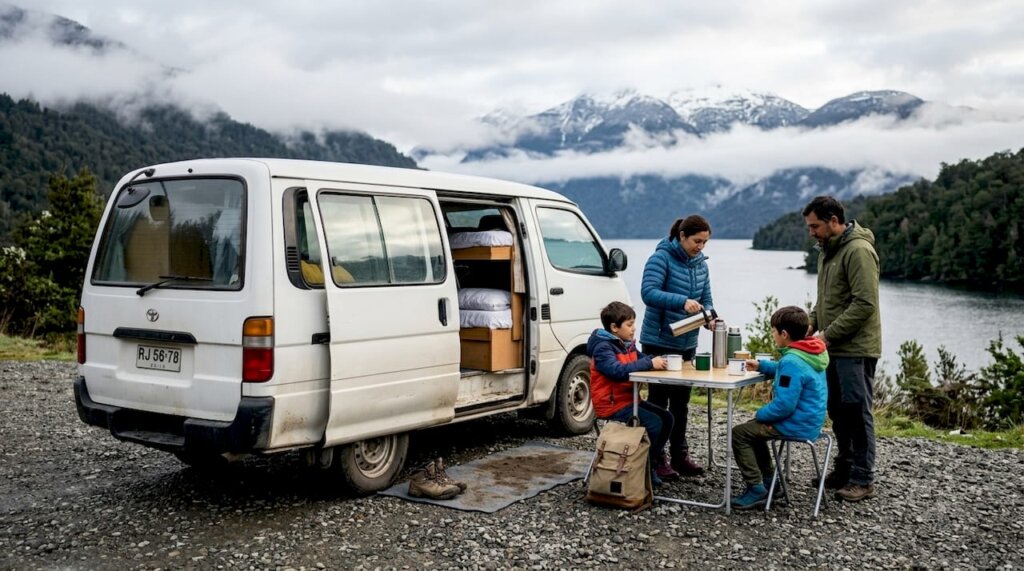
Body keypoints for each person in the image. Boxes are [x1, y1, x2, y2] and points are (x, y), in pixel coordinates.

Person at [803, 195, 882, 502]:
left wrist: (827, 335)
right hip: (833, 347)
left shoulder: (858, 250)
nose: (811, 232)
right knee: (837, 410)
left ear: (834, 221)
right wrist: (811, 323)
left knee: (857, 412)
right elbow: (826, 299)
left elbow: (865, 303)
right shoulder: (828, 251)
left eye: (815, 226)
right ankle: (844, 468)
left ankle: (862, 478)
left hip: (855, 349)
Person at [730, 306, 828, 509]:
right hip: (810, 422)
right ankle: (770, 483)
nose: (772, 334)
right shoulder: (810, 353)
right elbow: (787, 370)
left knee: (740, 433)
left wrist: (760, 413)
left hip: (796, 424)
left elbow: (784, 405)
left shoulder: (792, 361)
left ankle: (756, 488)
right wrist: (762, 366)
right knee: (753, 430)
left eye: (774, 331)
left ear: (784, 334)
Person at [639, 215, 714, 479]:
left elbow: (707, 299)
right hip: (658, 341)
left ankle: (680, 455)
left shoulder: (702, 265)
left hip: (687, 343)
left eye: (704, 242)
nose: (700, 247)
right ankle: (657, 457)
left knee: (681, 403)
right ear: (682, 236)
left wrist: (709, 318)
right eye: (696, 241)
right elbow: (648, 292)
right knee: (659, 402)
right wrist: (682, 301)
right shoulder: (660, 258)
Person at [587, 301, 674, 486]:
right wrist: (649, 364)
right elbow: (616, 371)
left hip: (629, 400)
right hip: (611, 404)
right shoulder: (603, 348)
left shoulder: (627, 344)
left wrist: (659, 360)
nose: (634, 328)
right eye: (629, 324)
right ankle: (641, 468)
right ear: (614, 327)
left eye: (633, 323)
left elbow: (641, 359)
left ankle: (651, 463)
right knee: (654, 423)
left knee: (667, 418)